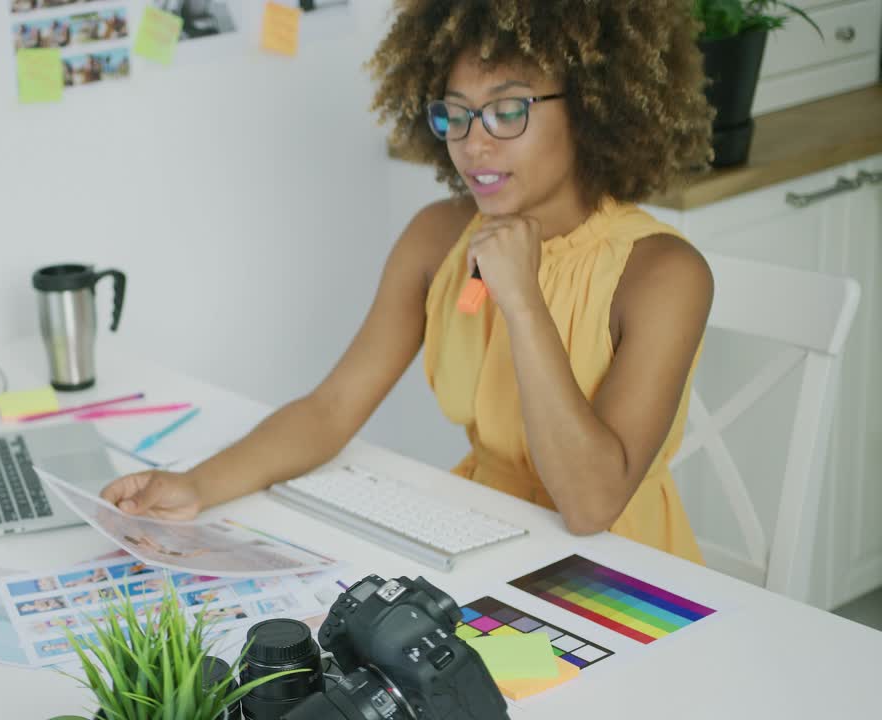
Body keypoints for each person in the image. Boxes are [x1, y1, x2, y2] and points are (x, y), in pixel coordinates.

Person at [101, 0, 715, 563]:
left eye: (507, 111)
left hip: (627, 571)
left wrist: (524, 302)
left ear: (589, 106)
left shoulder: (662, 275)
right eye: (455, 114)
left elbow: (590, 506)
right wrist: (193, 485)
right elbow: (332, 408)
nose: (473, 145)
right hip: (484, 538)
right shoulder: (436, 238)